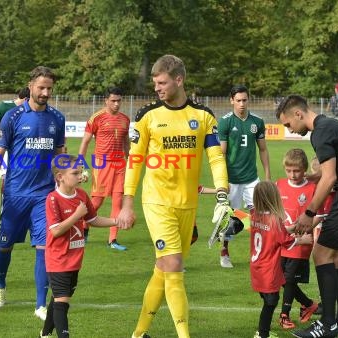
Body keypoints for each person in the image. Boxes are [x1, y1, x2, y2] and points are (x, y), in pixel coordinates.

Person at [117, 55, 229, 338]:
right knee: (175, 265)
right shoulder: (147, 116)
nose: (157, 88)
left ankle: (138, 334)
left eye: (162, 82)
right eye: (155, 83)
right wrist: (127, 204)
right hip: (157, 202)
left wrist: (223, 194)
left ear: (179, 80)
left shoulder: (203, 116)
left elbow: (215, 158)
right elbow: (134, 161)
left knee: (164, 267)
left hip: (187, 204)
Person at [0, 66, 66, 320]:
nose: (45, 92)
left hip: (44, 195)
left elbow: (59, 154)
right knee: (4, 246)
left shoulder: (56, 118)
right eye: (41, 87)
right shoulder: (13, 116)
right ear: (30, 85)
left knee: (43, 247)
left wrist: (67, 180)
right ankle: (0, 286)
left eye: (49, 88)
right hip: (16, 194)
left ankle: (41, 305)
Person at [276, 94, 338, 337]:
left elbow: (331, 178)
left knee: (322, 253)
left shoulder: (320, 132)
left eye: (288, 125)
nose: (291, 131)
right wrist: (314, 177)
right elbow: (329, 172)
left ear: (298, 114)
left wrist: (308, 213)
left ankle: (328, 325)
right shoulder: (331, 125)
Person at [39, 154, 119, 338]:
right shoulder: (52, 199)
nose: (81, 176)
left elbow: (93, 219)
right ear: (60, 177)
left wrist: (117, 221)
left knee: (58, 299)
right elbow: (56, 231)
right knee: (62, 303)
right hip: (58, 258)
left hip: (75, 258)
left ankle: (44, 334)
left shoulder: (81, 195)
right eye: (75, 173)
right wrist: (76, 215)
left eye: (81, 172)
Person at [217, 84, 271, 268]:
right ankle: (224, 250)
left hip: (252, 179)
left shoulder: (257, 121)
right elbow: (221, 154)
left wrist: (268, 177)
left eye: (244, 100)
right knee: (231, 219)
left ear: (249, 100)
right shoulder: (225, 122)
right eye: (238, 100)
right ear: (232, 100)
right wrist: (223, 181)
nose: (241, 104)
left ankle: (259, 254)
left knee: (260, 217)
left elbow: (263, 149)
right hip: (232, 180)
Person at [249, 181, 311, 338]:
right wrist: (303, 240)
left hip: (257, 266)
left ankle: (263, 332)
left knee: (268, 299)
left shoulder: (254, 214)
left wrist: (290, 228)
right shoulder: (274, 220)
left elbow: (272, 233)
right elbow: (286, 242)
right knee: (271, 301)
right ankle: (262, 334)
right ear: (273, 198)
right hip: (268, 268)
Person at [78, 86, 130, 250]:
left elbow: (126, 142)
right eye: (113, 101)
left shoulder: (125, 119)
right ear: (106, 100)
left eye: (119, 101)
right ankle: (84, 228)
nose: (116, 104)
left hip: (120, 164)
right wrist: (81, 163)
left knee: (117, 202)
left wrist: (131, 161)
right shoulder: (97, 118)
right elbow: (85, 141)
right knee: (97, 201)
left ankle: (112, 240)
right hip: (102, 164)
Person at [276, 149, 319, 329]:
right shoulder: (278, 185)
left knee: (289, 278)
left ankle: (284, 314)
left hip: (300, 242)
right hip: (282, 240)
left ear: (304, 169)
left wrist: (306, 228)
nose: (293, 175)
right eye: (289, 171)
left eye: (297, 171)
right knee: (282, 279)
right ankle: (308, 304)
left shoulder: (313, 188)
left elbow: (320, 214)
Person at [0, 87, 30, 189]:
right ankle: (5, 202)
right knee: (5, 178)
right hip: (5, 147)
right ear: (26, 99)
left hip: (21, 148)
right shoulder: (4, 106)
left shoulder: (29, 111)